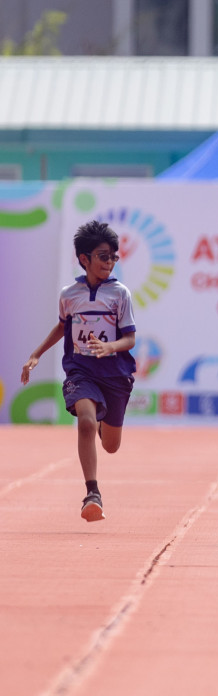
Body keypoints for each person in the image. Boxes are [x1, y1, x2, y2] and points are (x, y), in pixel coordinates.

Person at [20, 221, 138, 523]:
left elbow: (130, 339)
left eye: (114, 257)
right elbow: (63, 326)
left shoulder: (120, 294)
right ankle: (92, 493)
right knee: (85, 422)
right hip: (80, 370)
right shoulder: (69, 294)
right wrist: (36, 354)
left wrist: (109, 347)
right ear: (84, 259)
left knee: (111, 446)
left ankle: (102, 421)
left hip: (114, 373)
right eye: (103, 256)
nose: (109, 262)